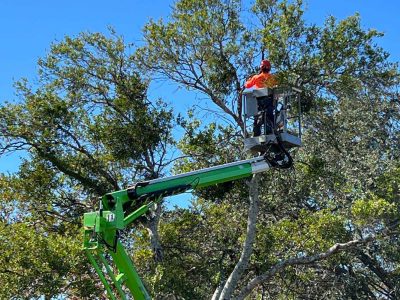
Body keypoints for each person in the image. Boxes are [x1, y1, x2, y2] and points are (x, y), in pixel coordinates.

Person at [245, 59, 278, 136]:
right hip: (269, 101)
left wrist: (249, 79)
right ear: (269, 68)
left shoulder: (256, 77)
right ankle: (269, 132)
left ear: (261, 68)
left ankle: (256, 133)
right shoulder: (272, 78)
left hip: (259, 101)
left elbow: (247, 85)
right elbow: (277, 86)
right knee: (269, 115)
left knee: (257, 117)